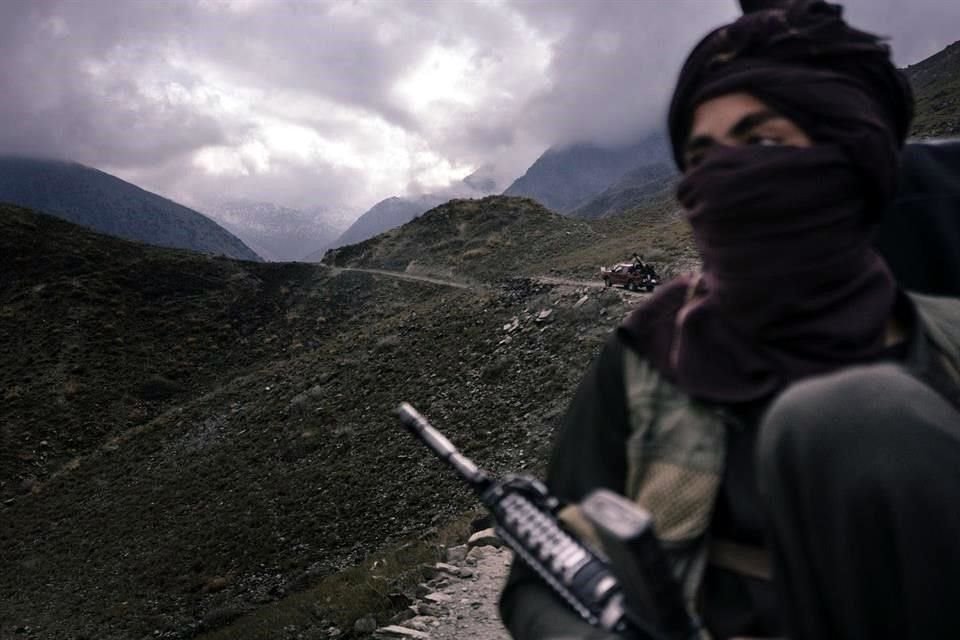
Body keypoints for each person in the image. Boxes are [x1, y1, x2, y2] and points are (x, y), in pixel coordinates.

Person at [499, 2, 960, 639]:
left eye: (763, 141)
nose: (725, 175)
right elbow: (539, 576)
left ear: (853, 158)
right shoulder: (643, 360)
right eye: (702, 154)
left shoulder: (945, 342)